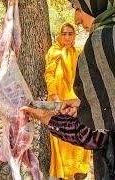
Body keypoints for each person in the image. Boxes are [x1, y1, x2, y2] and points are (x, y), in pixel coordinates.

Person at [23, 0, 115, 179]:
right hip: (66, 100)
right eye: (64, 33)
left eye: (79, 9)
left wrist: (47, 118)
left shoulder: (100, 44)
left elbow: (94, 134)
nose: (77, 19)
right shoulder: (54, 52)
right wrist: (83, 104)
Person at [44, 23, 91, 179]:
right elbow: (49, 75)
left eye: (70, 34)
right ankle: (64, 172)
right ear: (60, 34)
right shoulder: (53, 52)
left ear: (74, 35)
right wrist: (55, 96)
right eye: (64, 33)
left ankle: (78, 169)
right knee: (62, 133)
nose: (67, 37)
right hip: (59, 99)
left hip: (76, 99)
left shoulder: (79, 52)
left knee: (78, 131)